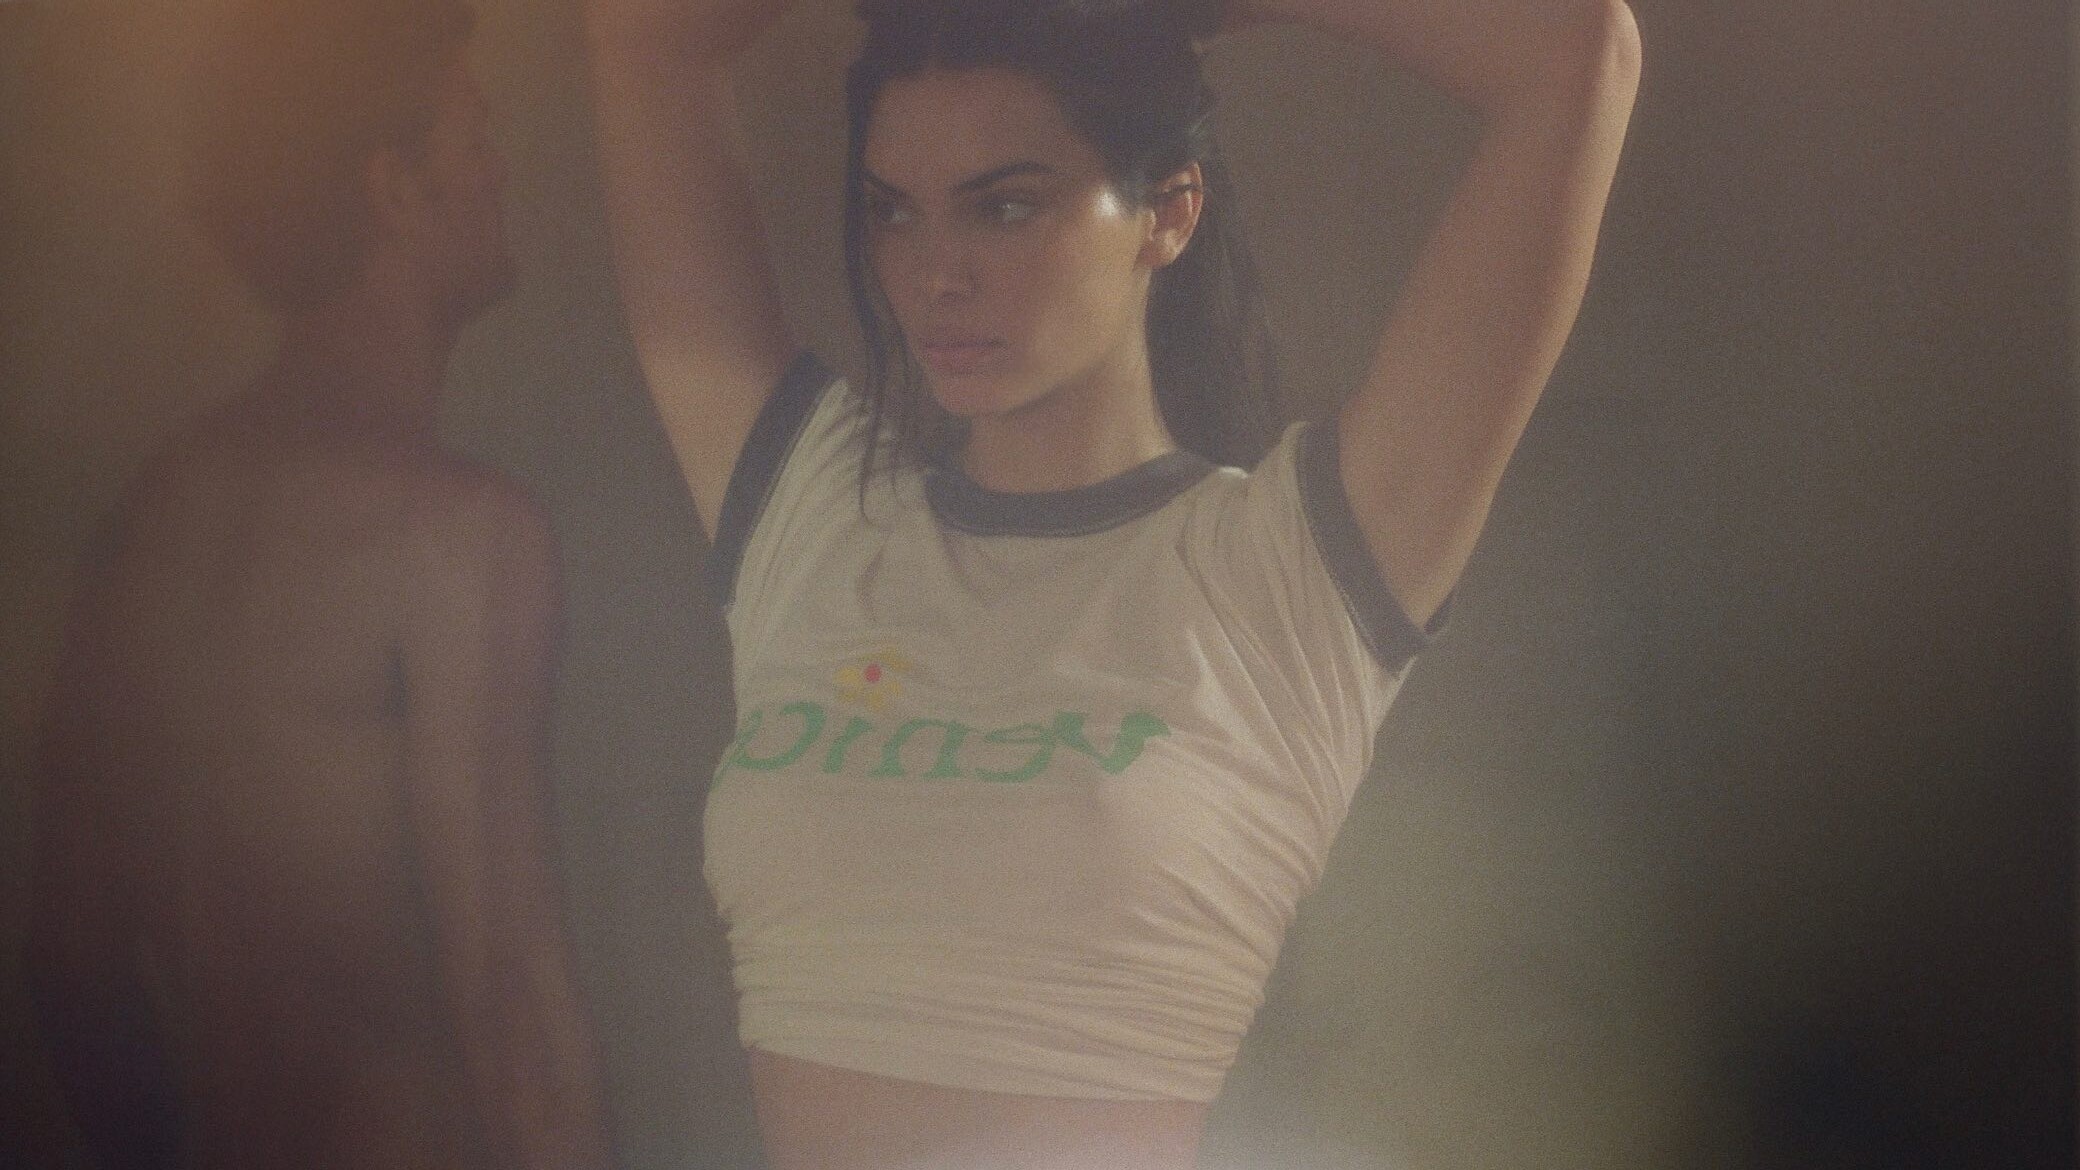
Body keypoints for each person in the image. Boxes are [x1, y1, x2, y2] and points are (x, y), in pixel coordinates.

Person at [585, 0, 1639, 1165]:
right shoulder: (815, 523)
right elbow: (638, 30)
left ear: (1168, 210)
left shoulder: (1290, 575)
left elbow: (1575, 53)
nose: (934, 273)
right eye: (892, 210)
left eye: (1004, 205)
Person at [25, 1, 614, 1166]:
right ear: (395, 188)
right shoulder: (454, 534)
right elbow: (513, 1017)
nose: (502, 173)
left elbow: (71, 966)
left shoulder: (151, 522)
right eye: (478, 136)